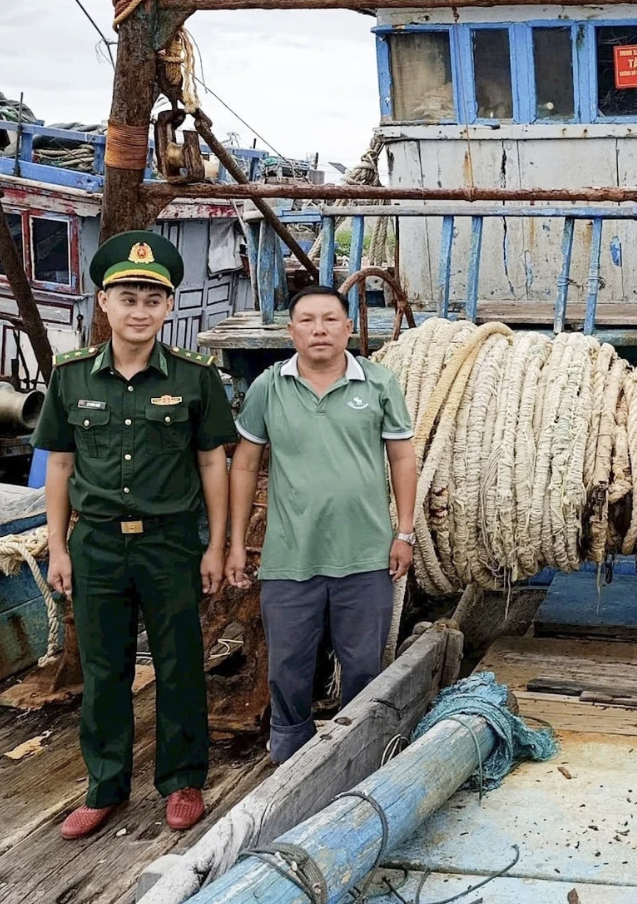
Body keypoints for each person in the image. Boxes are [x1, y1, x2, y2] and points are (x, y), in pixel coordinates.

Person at [35, 231, 238, 840]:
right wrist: (57, 547)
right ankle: (104, 786)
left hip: (170, 542)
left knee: (179, 663)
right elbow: (61, 467)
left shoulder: (196, 378)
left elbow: (213, 465)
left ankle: (182, 780)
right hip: (95, 544)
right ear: (104, 302)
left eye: (153, 298)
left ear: (169, 307)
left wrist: (217, 544)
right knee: (103, 667)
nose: (139, 309)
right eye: (128, 297)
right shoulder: (71, 377)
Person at [227, 285, 418, 764]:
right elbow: (245, 464)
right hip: (290, 557)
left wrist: (405, 532)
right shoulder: (268, 387)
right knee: (288, 667)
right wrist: (234, 542)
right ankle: (288, 755)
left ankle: (356, 755)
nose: (319, 329)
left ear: (348, 328)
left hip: (366, 554)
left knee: (362, 667)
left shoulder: (379, 384)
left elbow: (402, 457)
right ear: (290, 331)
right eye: (307, 320)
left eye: (330, 319)